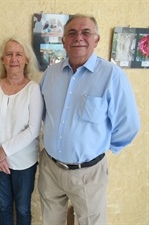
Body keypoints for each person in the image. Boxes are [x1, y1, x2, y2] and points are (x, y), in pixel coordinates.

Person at [38, 13, 140, 225]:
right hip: (51, 169)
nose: (79, 38)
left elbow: (128, 125)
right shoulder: (50, 74)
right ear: (64, 41)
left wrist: (96, 151)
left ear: (96, 39)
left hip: (88, 173)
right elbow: (45, 114)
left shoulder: (112, 76)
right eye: (72, 33)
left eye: (86, 32)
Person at [0, 36, 44, 225]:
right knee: (4, 206)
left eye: (18, 54)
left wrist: (4, 151)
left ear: (26, 60)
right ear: (3, 59)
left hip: (24, 162)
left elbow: (33, 130)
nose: (13, 59)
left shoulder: (33, 90)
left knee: (23, 208)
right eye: (9, 54)